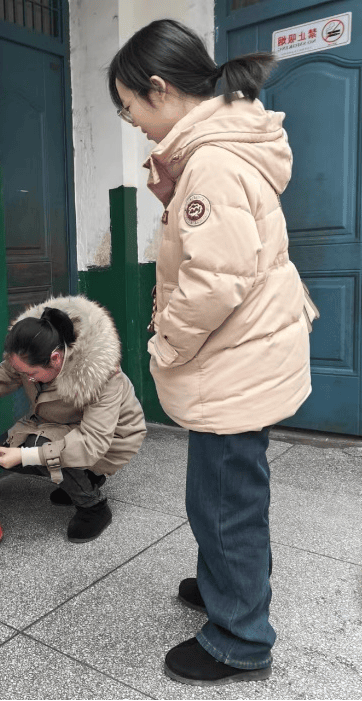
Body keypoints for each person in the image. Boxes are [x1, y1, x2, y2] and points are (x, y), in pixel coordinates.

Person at [108, 19, 316, 686]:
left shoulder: (213, 163)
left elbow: (212, 283)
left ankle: (240, 638)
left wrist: (163, 343)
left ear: (160, 89)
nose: (132, 119)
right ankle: (226, 581)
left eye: (131, 104)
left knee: (227, 499)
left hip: (234, 359)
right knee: (219, 491)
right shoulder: (212, 151)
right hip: (239, 356)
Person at [0, 296, 146, 543]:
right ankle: (85, 479)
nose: (25, 379)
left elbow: (91, 442)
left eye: (31, 374)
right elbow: (2, 375)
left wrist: (28, 456)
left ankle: (93, 507)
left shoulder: (103, 375)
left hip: (112, 438)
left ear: (55, 359)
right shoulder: (34, 352)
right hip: (65, 425)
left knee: (32, 450)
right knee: (7, 448)